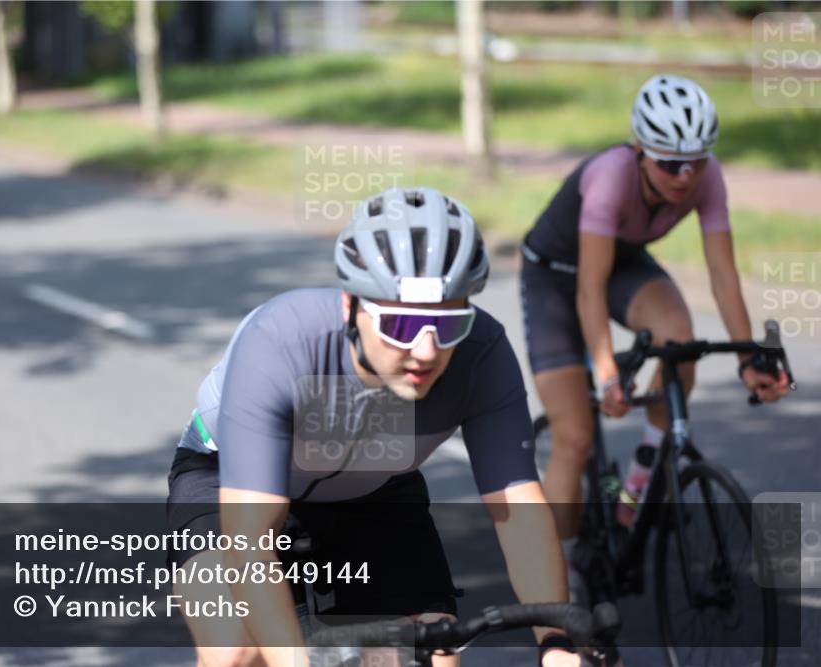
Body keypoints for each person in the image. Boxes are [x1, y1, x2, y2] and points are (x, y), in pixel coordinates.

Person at [167, 187, 582, 667]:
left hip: (373, 489)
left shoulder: (482, 355)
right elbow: (249, 543)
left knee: (434, 652)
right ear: (351, 307)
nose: (426, 351)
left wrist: (556, 644)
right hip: (228, 476)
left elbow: (519, 511)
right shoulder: (280, 342)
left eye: (449, 324)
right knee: (236, 650)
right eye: (401, 325)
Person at [519, 74, 791, 586]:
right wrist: (607, 374)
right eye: (669, 163)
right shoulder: (610, 177)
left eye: (696, 162)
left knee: (679, 341)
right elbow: (588, 289)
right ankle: (558, 581)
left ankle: (635, 490)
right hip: (555, 277)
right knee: (574, 437)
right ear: (640, 149)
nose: (684, 177)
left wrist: (748, 359)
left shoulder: (707, 177)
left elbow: (722, 273)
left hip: (622, 264)